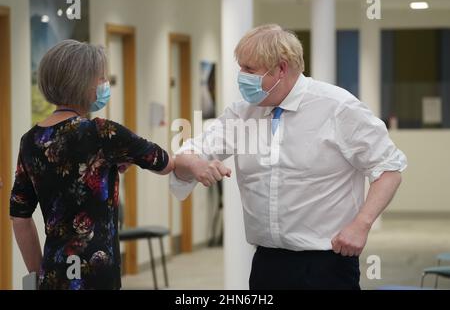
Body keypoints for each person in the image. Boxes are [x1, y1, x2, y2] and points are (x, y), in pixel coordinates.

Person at [171, 24, 407, 290]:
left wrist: (361, 225)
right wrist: (196, 164)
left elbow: (389, 168)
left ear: (281, 69)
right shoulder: (243, 113)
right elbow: (186, 154)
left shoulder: (337, 107)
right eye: (241, 68)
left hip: (326, 264)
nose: (241, 76)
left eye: (249, 69)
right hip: (267, 262)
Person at [10, 40, 173, 290]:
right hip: (98, 275)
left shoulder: (30, 140)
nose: (105, 84)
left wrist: (37, 274)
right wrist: (194, 162)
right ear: (84, 83)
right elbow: (161, 161)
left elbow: (20, 217)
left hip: (54, 274)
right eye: (101, 78)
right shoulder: (102, 132)